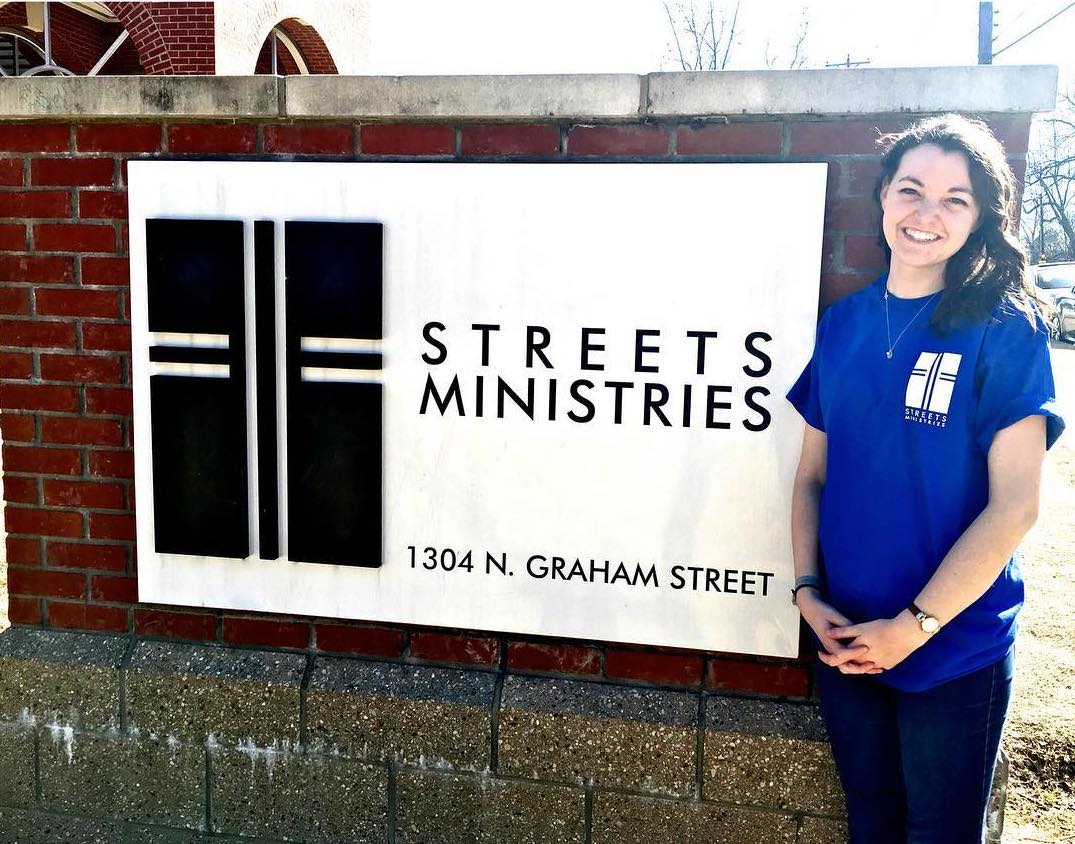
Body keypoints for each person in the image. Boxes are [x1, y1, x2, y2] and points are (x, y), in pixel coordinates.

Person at [786, 113, 1066, 843]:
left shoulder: (1005, 328)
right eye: (910, 190)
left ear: (978, 220)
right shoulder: (843, 325)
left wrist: (913, 629)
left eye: (954, 199)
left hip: (952, 648)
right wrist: (807, 593)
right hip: (846, 636)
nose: (924, 214)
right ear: (881, 198)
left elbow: (1014, 508)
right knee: (871, 825)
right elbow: (811, 475)